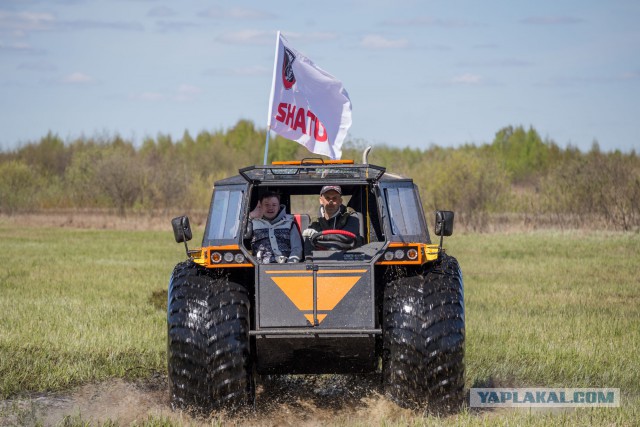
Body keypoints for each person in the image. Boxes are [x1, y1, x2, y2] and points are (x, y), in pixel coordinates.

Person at [247, 192, 302, 264]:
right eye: (267, 205)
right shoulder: (253, 223)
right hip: (260, 266)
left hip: (286, 265)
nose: (270, 208)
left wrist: (290, 264)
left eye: (274, 205)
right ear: (260, 206)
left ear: (279, 206)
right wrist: (250, 216)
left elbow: (297, 248)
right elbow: (242, 236)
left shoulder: (289, 223)